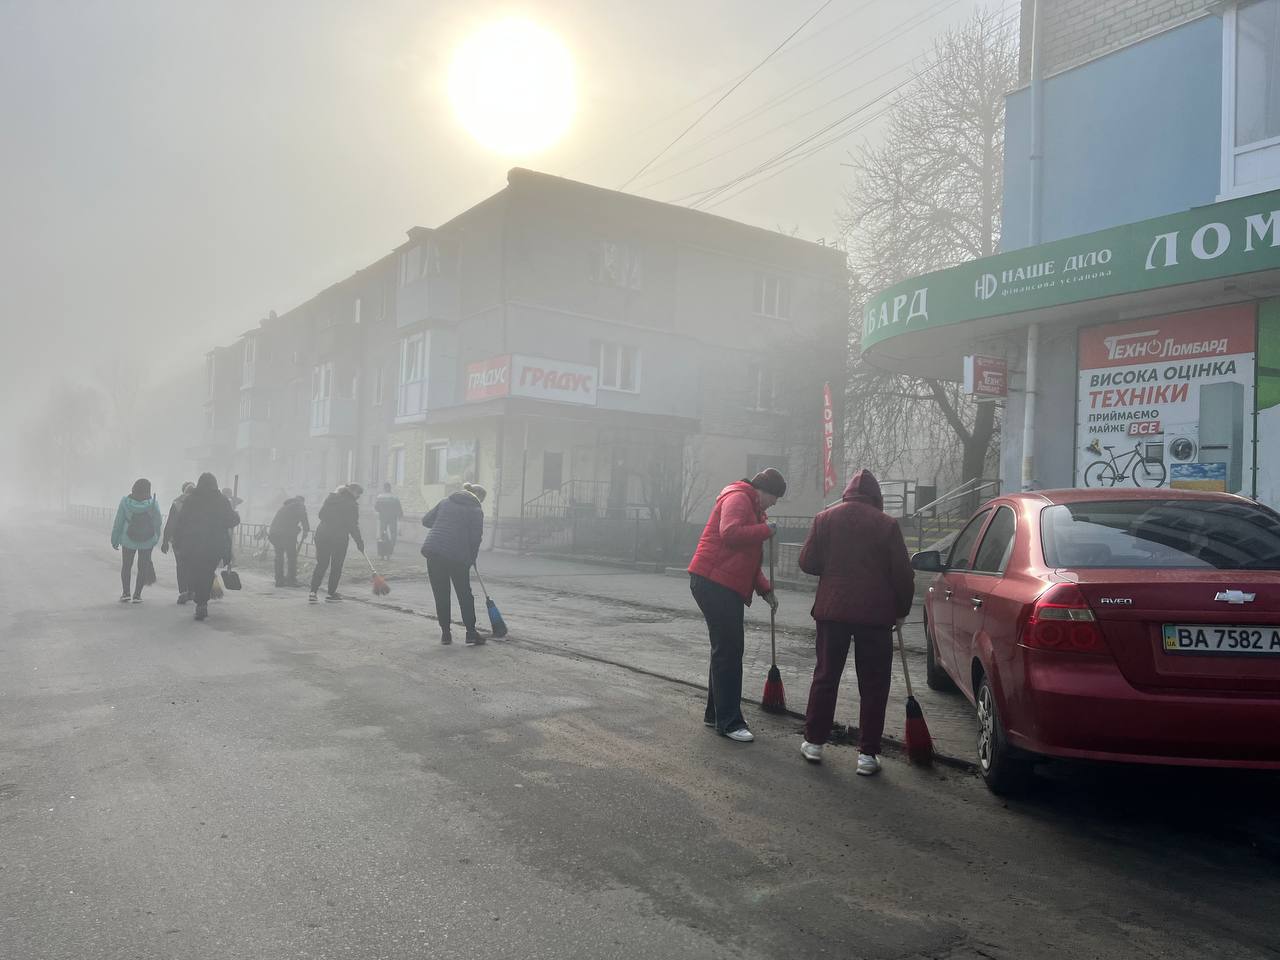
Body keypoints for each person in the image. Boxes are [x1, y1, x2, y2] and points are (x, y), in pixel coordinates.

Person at [797, 469, 914, 777]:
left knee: (825, 677)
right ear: (877, 499)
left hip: (832, 611)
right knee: (874, 684)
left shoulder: (824, 519)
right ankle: (867, 754)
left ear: (846, 494)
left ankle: (813, 742)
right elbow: (903, 574)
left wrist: (832, 566)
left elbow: (807, 563)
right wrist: (901, 610)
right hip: (875, 617)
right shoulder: (887, 525)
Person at [687, 468, 784, 743]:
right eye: (774, 497)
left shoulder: (754, 510)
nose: (774, 503)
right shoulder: (738, 498)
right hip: (713, 582)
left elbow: (748, 559)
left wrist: (765, 590)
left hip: (721, 583)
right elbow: (729, 534)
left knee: (724, 650)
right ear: (763, 491)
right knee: (729, 650)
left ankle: (715, 713)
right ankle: (729, 722)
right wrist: (765, 530)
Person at [420, 482, 486, 645]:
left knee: (441, 594)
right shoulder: (476, 510)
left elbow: (426, 520)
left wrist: (443, 522)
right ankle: (471, 633)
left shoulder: (445, 502)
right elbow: (475, 538)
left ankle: (446, 634)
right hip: (458, 556)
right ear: (479, 497)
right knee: (464, 594)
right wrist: (472, 559)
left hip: (434, 552)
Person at [170, 472, 240, 621]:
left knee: (194, 571)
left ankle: (194, 594)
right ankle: (201, 603)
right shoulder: (221, 500)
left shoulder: (191, 500)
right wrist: (235, 514)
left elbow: (181, 522)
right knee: (207, 573)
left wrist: (176, 540)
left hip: (192, 544)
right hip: (213, 545)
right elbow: (232, 520)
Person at [111, 478, 164, 603]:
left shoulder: (125, 502)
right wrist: (156, 537)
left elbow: (119, 521)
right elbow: (158, 522)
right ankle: (137, 595)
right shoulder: (153, 503)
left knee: (126, 566)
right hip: (147, 540)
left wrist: (115, 539)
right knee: (142, 567)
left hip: (128, 539)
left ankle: (126, 593)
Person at [310, 483, 364, 603]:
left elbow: (320, 515)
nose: (358, 497)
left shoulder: (331, 498)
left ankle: (313, 592)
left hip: (322, 535)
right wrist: (359, 542)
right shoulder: (351, 505)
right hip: (338, 538)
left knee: (322, 564)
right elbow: (353, 526)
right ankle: (331, 593)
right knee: (336, 566)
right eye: (358, 494)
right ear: (353, 492)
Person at [161, 481, 195, 603]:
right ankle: (192, 591)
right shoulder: (201, 503)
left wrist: (165, 541)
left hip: (179, 541)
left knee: (181, 566)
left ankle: (183, 591)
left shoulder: (176, 504)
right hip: (196, 541)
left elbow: (170, 523)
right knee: (193, 566)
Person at [268, 495, 310, 587]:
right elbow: (304, 518)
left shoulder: (285, 507)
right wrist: (306, 529)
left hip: (274, 534)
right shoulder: (299, 505)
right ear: (302, 501)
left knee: (279, 557)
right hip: (286, 535)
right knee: (292, 557)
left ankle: (279, 580)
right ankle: (291, 580)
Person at [374, 483, 404, 559]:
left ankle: (382, 551)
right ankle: (390, 549)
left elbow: (376, 508)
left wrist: (382, 511)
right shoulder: (394, 497)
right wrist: (400, 515)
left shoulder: (380, 497)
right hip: (393, 517)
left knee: (383, 533)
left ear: (384, 488)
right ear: (390, 488)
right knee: (393, 533)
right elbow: (399, 508)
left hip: (383, 517)